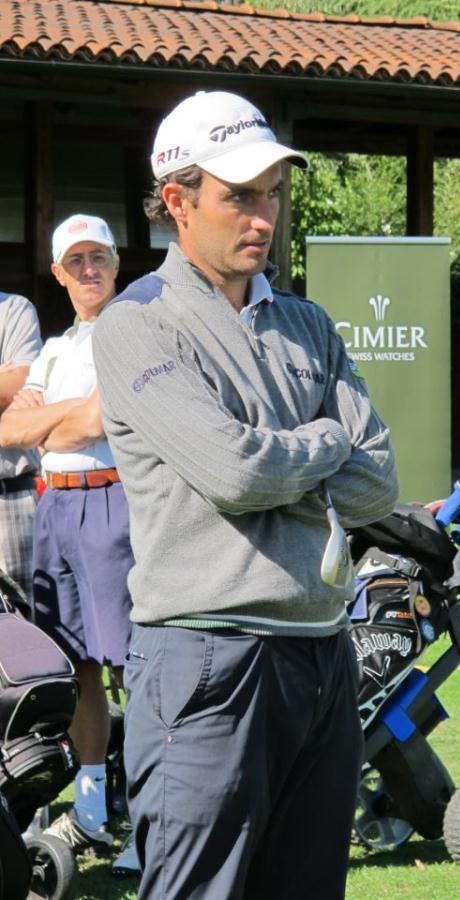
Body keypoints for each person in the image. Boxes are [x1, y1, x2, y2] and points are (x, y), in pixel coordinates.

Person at [92, 89, 398, 900]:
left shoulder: (310, 324)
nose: (262, 217)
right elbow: (236, 475)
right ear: (177, 203)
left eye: (270, 194)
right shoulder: (138, 324)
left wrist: (283, 458)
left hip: (322, 652)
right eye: (238, 197)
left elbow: (378, 484)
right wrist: (324, 440)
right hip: (207, 660)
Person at [0, 215, 134, 863]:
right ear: (58, 272)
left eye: (98, 258)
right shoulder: (54, 349)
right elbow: (11, 429)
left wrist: (50, 421)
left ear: (115, 264)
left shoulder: (137, 333)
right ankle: (88, 809)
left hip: (117, 506)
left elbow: (93, 423)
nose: (88, 270)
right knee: (77, 665)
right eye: (75, 260)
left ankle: (151, 817)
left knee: (135, 668)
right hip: (57, 510)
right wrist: (62, 418)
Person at [0, 292, 42, 603]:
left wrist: (9, 383)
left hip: (9, 499)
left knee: (25, 624)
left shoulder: (14, 309)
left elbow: (15, 387)